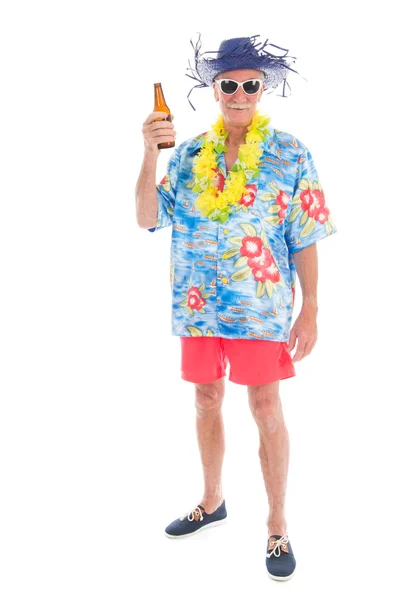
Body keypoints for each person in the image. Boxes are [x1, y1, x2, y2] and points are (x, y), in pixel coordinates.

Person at [135, 35, 337, 581]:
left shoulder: (290, 152)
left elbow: (307, 233)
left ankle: (277, 525)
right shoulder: (192, 154)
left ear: (262, 88)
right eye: (230, 84)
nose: (240, 93)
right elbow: (148, 218)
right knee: (205, 399)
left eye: (251, 84)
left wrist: (311, 308)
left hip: (260, 304)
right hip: (197, 304)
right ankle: (212, 499)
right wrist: (151, 152)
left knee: (266, 408)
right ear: (215, 88)